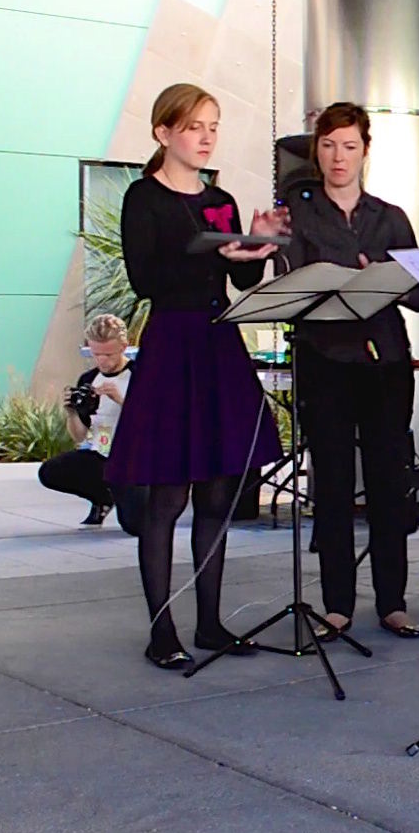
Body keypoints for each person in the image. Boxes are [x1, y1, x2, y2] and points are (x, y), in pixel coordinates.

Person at [106, 82, 285, 671]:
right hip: (172, 344)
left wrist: (253, 250)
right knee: (166, 495)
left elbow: (240, 288)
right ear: (163, 133)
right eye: (194, 127)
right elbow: (146, 280)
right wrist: (212, 252)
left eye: (213, 125)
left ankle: (209, 623)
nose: (207, 136)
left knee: (218, 490)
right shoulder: (143, 197)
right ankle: (162, 630)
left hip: (217, 341)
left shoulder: (223, 199)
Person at [281, 102, 419, 642]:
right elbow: (287, 283)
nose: (337, 157)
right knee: (335, 484)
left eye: (348, 146)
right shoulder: (299, 212)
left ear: (366, 150)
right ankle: (337, 604)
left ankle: (393, 601)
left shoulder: (390, 217)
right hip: (324, 359)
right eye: (327, 145)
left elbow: (417, 294)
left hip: (385, 362)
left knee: (391, 485)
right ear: (315, 150)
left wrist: (384, 279)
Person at [38, 314, 146, 535]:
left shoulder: (139, 375)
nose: (103, 361)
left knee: (136, 525)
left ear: (124, 347)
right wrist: (71, 414)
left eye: (109, 354)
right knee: (51, 471)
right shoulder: (88, 379)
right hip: (101, 454)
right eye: (96, 354)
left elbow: (153, 424)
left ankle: (128, 498)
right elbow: (80, 436)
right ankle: (102, 497)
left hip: (134, 458)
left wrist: (123, 401)